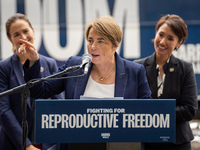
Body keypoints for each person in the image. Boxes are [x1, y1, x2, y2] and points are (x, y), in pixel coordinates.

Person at [20, 15, 152, 150]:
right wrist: (33, 61)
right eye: (90, 40)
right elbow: (40, 90)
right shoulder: (75, 66)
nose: (93, 46)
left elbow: (147, 113)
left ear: (115, 45)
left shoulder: (134, 72)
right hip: (77, 145)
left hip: (118, 145)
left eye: (100, 41)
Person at [0, 13, 64, 150]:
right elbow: (3, 111)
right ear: (10, 39)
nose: (23, 37)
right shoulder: (4, 68)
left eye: (25, 31)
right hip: (14, 143)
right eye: (16, 34)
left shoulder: (50, 63)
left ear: (33, 31)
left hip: (48, 143)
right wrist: (27, 145)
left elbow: (58, 104)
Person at [135, 14, 198, 150]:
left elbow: (189, 110)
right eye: (161, 34)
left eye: (170, 38)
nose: (163, 42)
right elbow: (135, 106)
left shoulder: (185, 69)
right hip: (147, 142)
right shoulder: (138, 67)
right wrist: (165, 110)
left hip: (178, 143)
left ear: (179, 43)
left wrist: (154, 112)